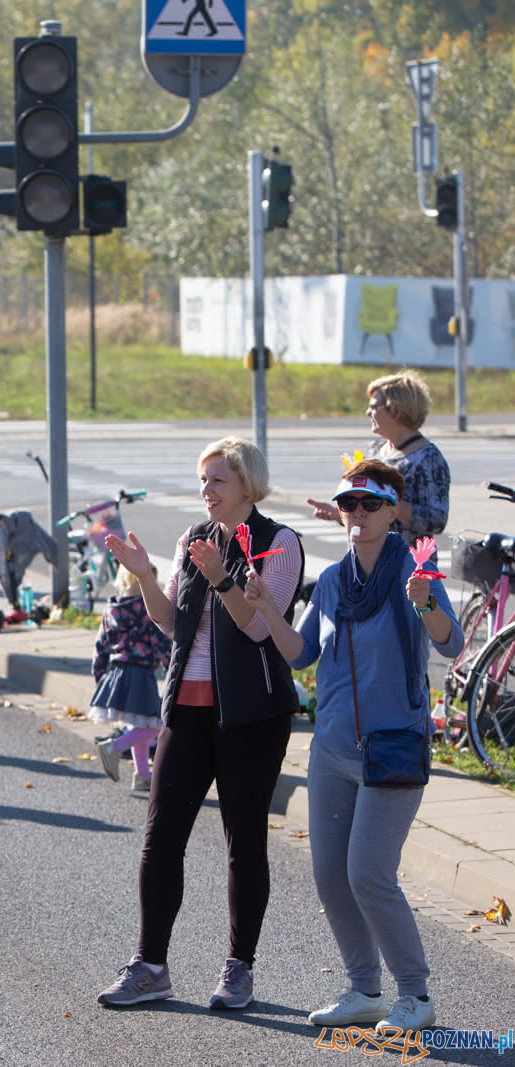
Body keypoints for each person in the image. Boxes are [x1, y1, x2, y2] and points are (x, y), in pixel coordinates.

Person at [244, 461, 461, 1034]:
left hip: (392, 748)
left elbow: (451, 641)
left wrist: (425, 602)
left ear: (394, 512)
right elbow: (299, 654)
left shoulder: (416, 570)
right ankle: (364, 989)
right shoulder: (337, 578)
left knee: (368, 873)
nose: (357, 515)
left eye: (369, 504)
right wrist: (267, 606)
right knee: (330, 876)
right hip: (332, 749)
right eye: (348, 504)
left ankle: (414, 994)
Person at [98, 436, 305, 1011]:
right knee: (160, 838)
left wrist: (221, 578)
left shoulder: (278, 544)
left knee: (243, 843)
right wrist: (143, 575)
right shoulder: (193, 537)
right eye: (203, 480)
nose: (206, 491)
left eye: (217, 480)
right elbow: (171, 623)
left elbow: (259, 628)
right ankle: (150, 965)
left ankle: (239, 967)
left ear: (246, 484)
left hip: (251, 718)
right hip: (185, 712)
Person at [306, 371, 449, 551]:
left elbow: (436, 521)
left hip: (406, 567)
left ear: (396, 410)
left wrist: (389, 501)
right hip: (365, 563)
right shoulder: (376, 449)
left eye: (374, 406)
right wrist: (342, 513)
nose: (368, 413)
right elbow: (371, 513)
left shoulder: (428, 458)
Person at [92, 564, 171, 794]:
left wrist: (99, 676)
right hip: (140, 673)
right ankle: (115, 747)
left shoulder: (111, 609)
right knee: (157, 724)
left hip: (116, 673)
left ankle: (143, 775)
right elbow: (161, 644)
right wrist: (172, 667)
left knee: (139, 724)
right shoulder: (148, 611)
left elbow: (100, 645)